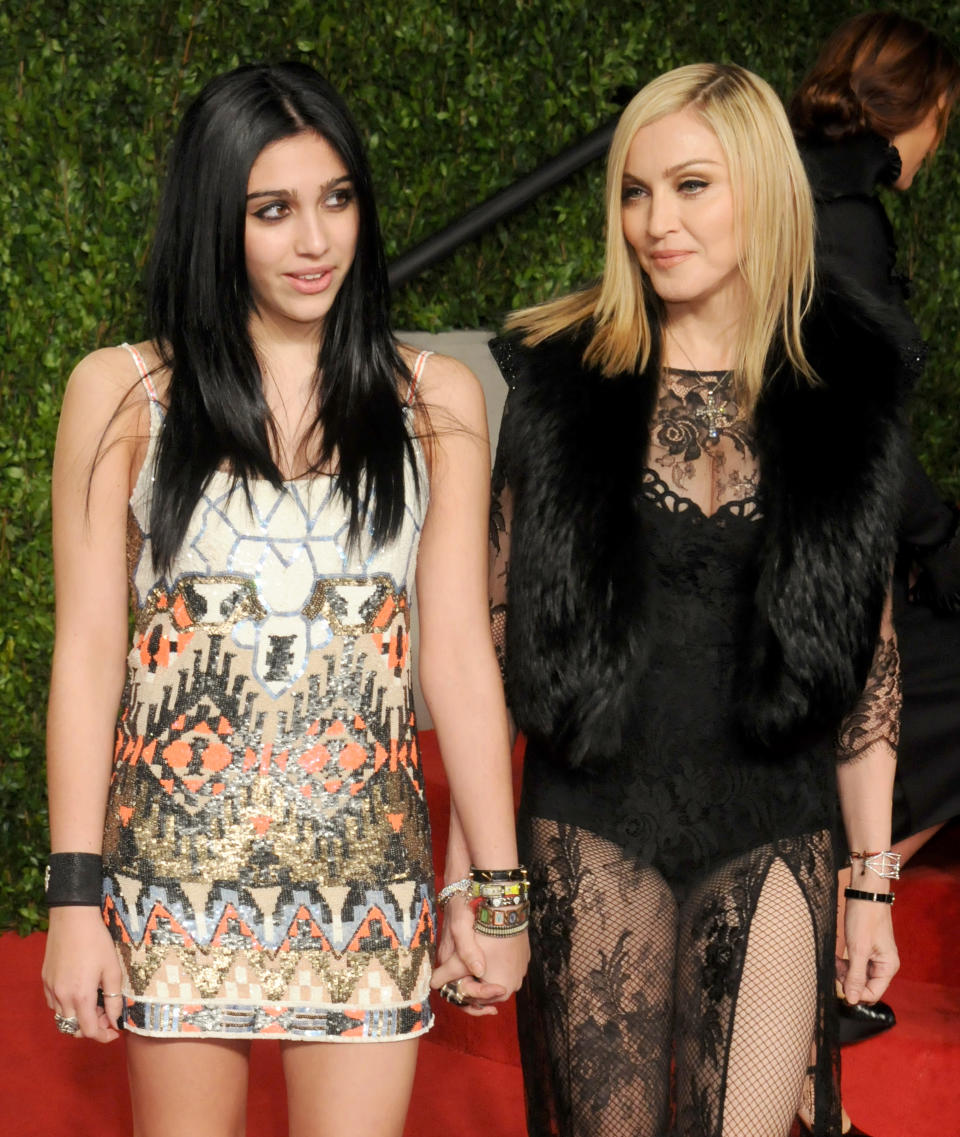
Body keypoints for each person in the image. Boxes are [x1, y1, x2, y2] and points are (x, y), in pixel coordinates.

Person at [40, 62, 527, 1137]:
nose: (315, 240)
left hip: (367, 881)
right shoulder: (120, 390)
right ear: (219, 221)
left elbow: (456, 651)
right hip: (172, 876)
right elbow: (86, 658)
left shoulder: (432, 398)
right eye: (274, 210)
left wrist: (493, 893)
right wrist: (75, 897)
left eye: (337, 199)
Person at [443, 62, 907, 1137]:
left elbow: (867, 651)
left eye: (691, 186)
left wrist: (873, 880)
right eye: (636, 192)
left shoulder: (848, 385)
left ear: (762, 187)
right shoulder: (561, 385)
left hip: (774, 823)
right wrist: (478, 883)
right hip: (592, 827)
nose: (656, 221)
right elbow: (490, 650)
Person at [790, 11, 960, 1060]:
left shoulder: (796, 184)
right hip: (820, 547)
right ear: (924, 109)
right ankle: (829, 940)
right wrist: (942, 545)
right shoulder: (841, 212)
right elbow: (856, 426)